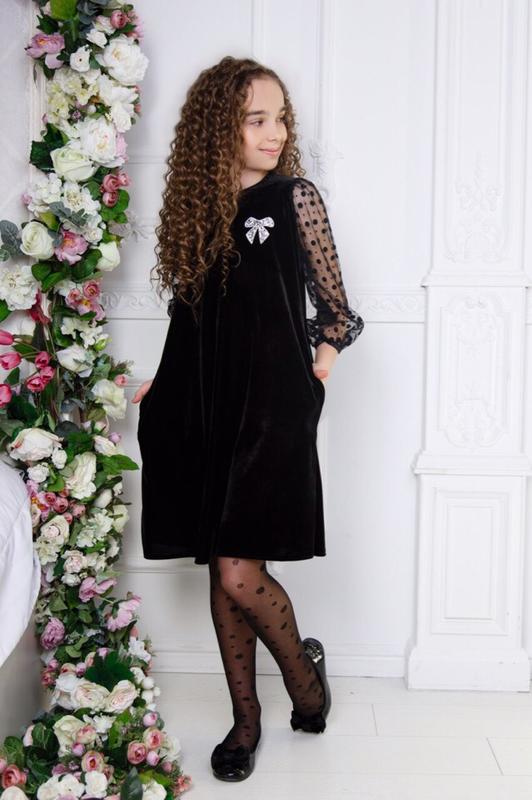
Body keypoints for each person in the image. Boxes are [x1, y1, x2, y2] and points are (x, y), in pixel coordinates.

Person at [133, 55, 365, 782]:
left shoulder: (294, 198)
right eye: (256, 119)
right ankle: (246, 719)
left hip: (273, 406)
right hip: (205, 404)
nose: (276, 132)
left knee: (237, 570)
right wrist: (165, 383)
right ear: (218, 129)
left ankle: (305, 682)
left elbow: (336, 306)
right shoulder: (199, 209)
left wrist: (322, 358)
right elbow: (192, 319)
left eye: (280, 118)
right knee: (227, 560)